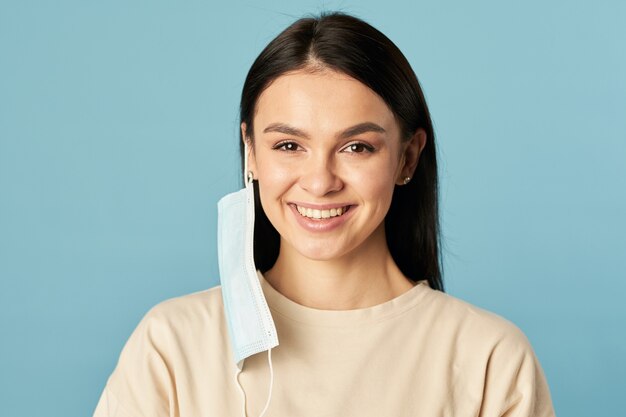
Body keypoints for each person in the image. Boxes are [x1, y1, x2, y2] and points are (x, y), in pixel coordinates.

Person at [93, 12, 555, 417]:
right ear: (251, 153)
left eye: (356, 147)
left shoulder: (491, 359)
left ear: (407, 158)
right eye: (289, 146)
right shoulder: (171, 346)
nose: (320, 181)